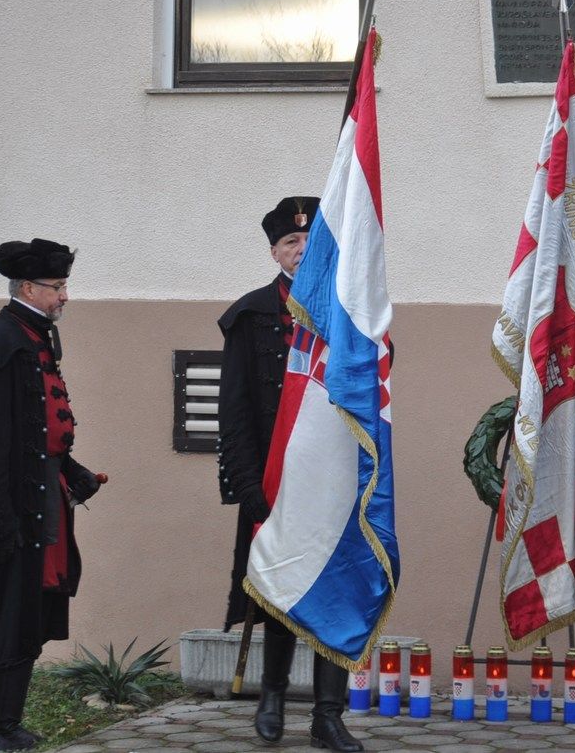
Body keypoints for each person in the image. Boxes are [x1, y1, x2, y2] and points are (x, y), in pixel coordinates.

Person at [0, 238, 102, 752]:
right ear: (28, 288)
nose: (65, 297)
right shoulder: (1, 345)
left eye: (64, 286)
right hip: (4, 510)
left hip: (40, 502)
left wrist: (72, 471)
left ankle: (8, 723)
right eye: (58, 287)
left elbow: (39, 431)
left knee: (28, 613)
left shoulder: (35, 336)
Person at [216, 196, 362, 751]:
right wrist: (246, 486)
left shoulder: (351, 312)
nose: (301, 252)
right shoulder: (252, 316)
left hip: (335, 482)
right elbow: (235, 414)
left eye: (309, 241)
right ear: (274, 251)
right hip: (274, 484)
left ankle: (329, 714)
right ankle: (272, 695)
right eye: (289, 243)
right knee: (277, 592)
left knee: (337, 591)